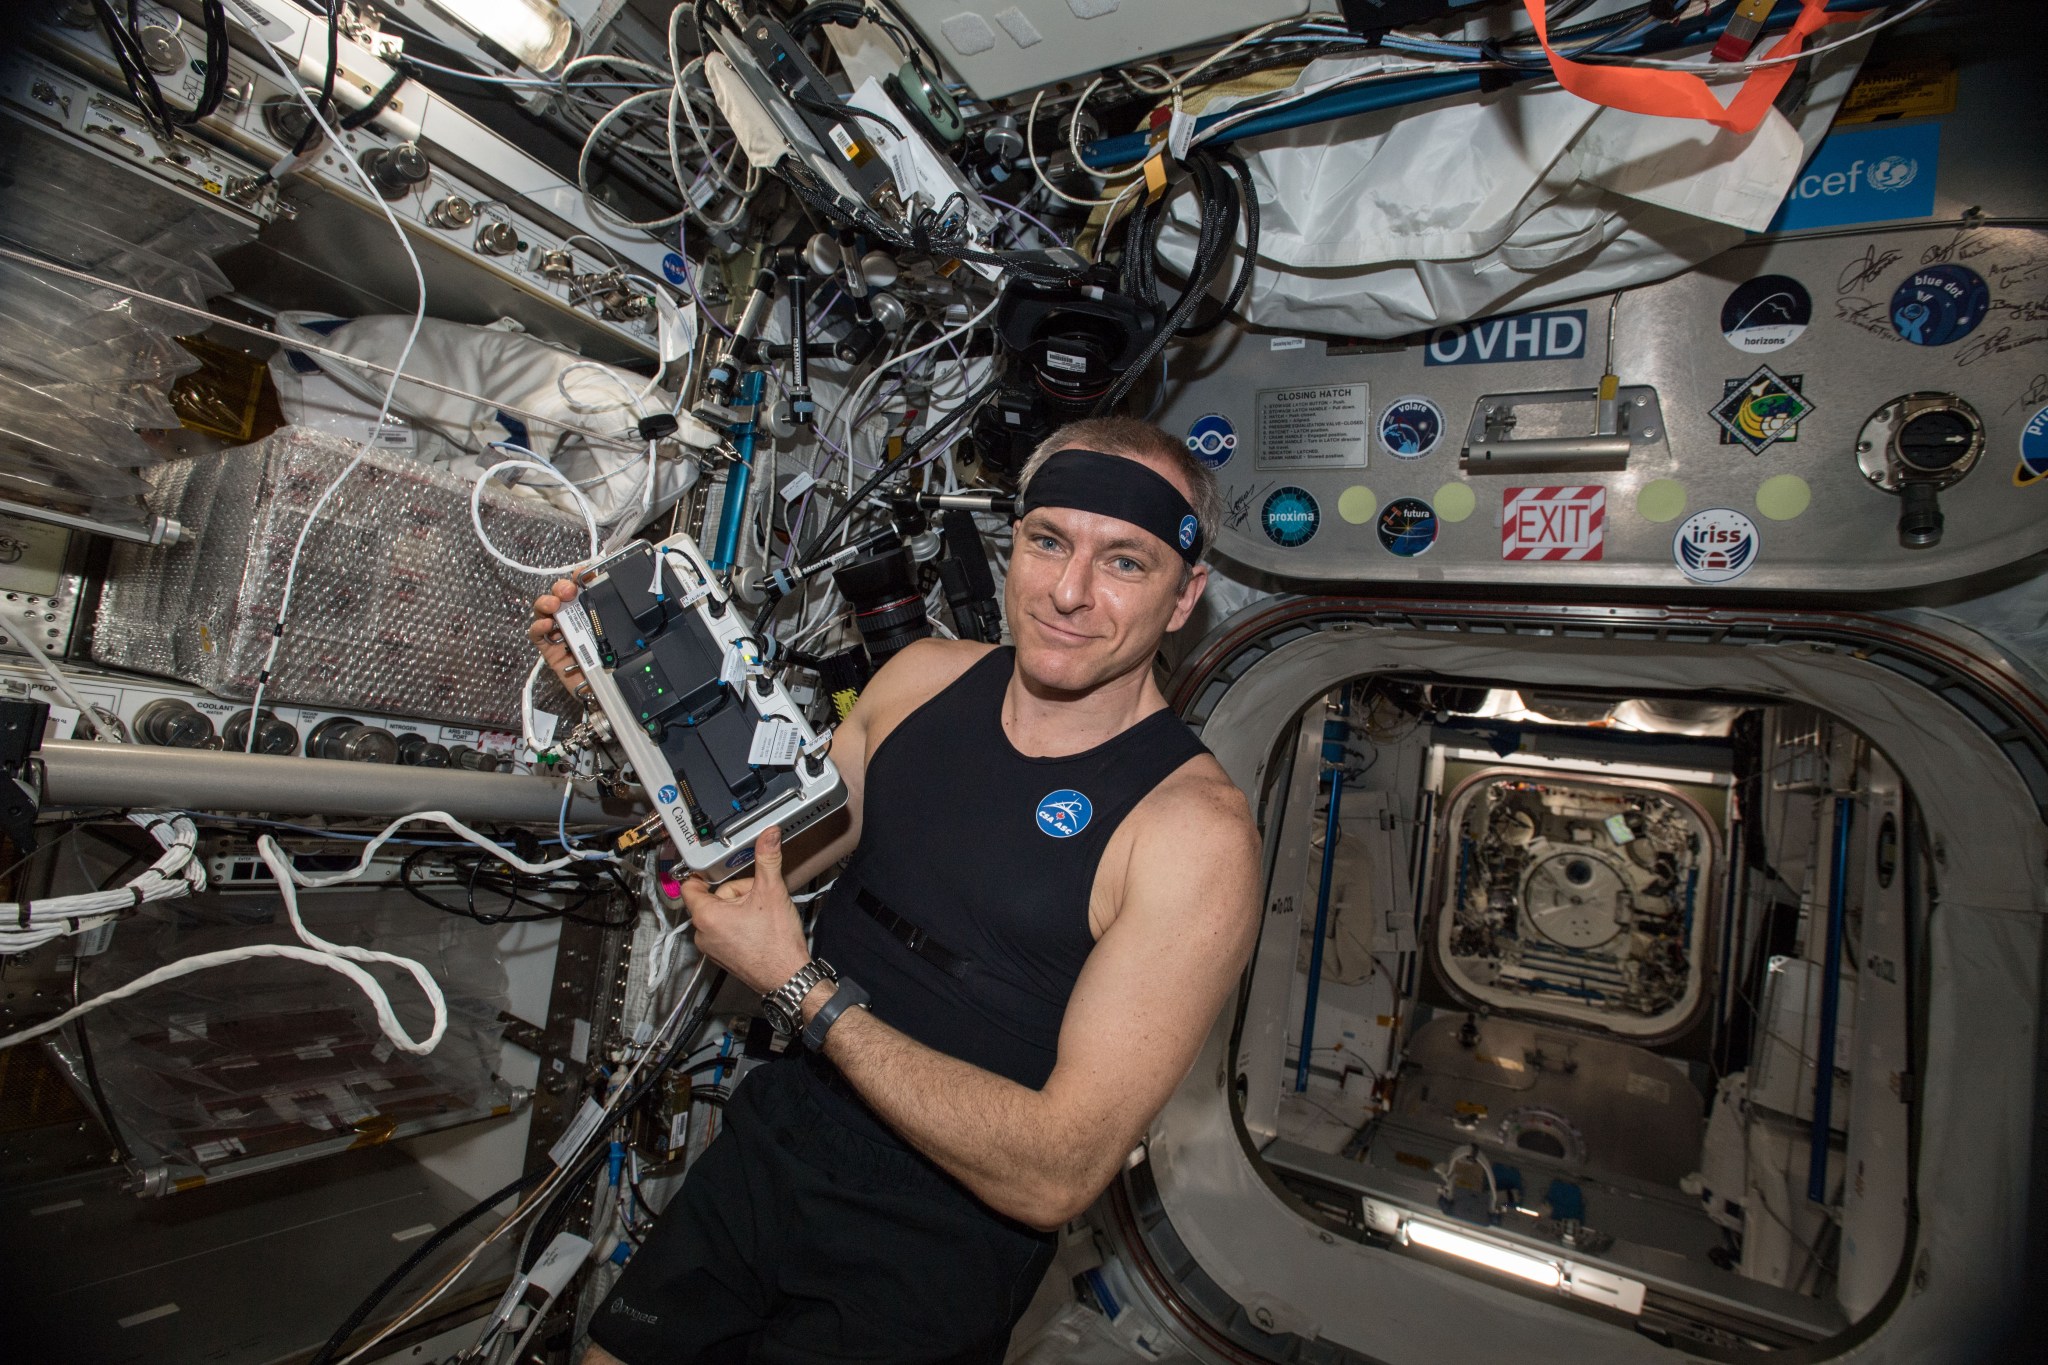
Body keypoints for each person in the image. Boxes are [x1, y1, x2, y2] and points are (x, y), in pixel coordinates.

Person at [529, 416, 1262, 1364]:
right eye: (1049, 542)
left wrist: (801, 989)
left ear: (1183, 596)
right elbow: (735, 872)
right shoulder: (919, 681)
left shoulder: (1194, 835)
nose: (1070, 592)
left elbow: (1057, 1170)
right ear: (1014, 546)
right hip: (784, 1130)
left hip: (941, 1235)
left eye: (1124, 562)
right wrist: (621, 701)